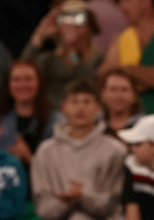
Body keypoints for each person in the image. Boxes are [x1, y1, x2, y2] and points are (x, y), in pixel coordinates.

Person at [31, 79, 127, 220]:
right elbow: (43, 208)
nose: (80, 108)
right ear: (63, 107)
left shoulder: (116, 151)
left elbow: (115, 204)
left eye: (87, 101)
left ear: (98, 108)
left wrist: (83, 197)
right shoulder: (45, 152)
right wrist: (65, 202)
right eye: (74, 101)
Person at [22, 0, 104, 107]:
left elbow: (88, 84)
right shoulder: (49, 60)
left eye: (78, 19)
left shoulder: (99, 59)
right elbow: (23, 71)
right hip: (51, 117)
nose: (72, 26)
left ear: (89, 26)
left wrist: (71, 49)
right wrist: (39, 35)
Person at [0, 61, 55, 169]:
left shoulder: (57, 123)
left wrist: (29, 158)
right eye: (16, 80)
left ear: (39, 83)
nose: (22, 85)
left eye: (28, 79)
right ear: (8, 85)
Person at [99, 69, 143, 136]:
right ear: (103, 94)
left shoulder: (144, 125)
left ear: (134, 95)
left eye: (124, 90)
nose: (118, 95)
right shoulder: (93, 124)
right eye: (113, 90)